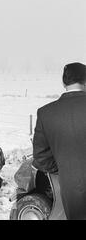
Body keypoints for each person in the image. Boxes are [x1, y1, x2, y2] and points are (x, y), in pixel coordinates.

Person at [32, 62, 86, 220]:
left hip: (72, 187)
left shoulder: (46, 113)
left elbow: (40, 157)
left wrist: (65, 169)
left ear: (64, 83)